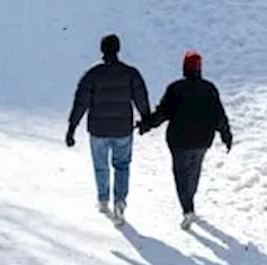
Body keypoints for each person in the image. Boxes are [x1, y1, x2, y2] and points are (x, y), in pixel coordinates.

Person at [138, 49, 233, 230]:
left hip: (179, 141)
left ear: (184, 68)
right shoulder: (209, 89)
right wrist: (226, 135)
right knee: (194, 171)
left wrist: (146, 125)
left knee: (181, 174)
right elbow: (219, 116)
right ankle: (190, 200)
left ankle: (187, 208)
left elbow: (162, 113)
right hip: (202, 140)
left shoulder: (176, 89)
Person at [67, 33, 152, 225]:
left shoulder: (92, 74)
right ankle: (120, 201)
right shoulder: (131, 73)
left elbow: (81, 102)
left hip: (98, 129)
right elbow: (141, 98)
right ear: (118, 49)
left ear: (102, 50)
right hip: (123, 129)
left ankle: (103, 199)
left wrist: (72, 127)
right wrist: (146, 120)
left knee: (101, 165)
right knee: (122, 165)